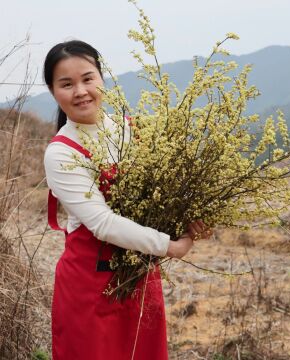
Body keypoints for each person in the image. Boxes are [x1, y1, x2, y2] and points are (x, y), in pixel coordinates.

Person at [43, 40, 210, 359]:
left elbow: (163, 188)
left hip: (139, 280)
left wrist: (191, 215)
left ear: (102, 80)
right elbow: (103, 223)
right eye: (66, 84)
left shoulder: (127, 131)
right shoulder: (61, 152)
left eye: (87, 78)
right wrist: (169, 245)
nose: (80, 91)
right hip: (89, 289)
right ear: (54, 92)